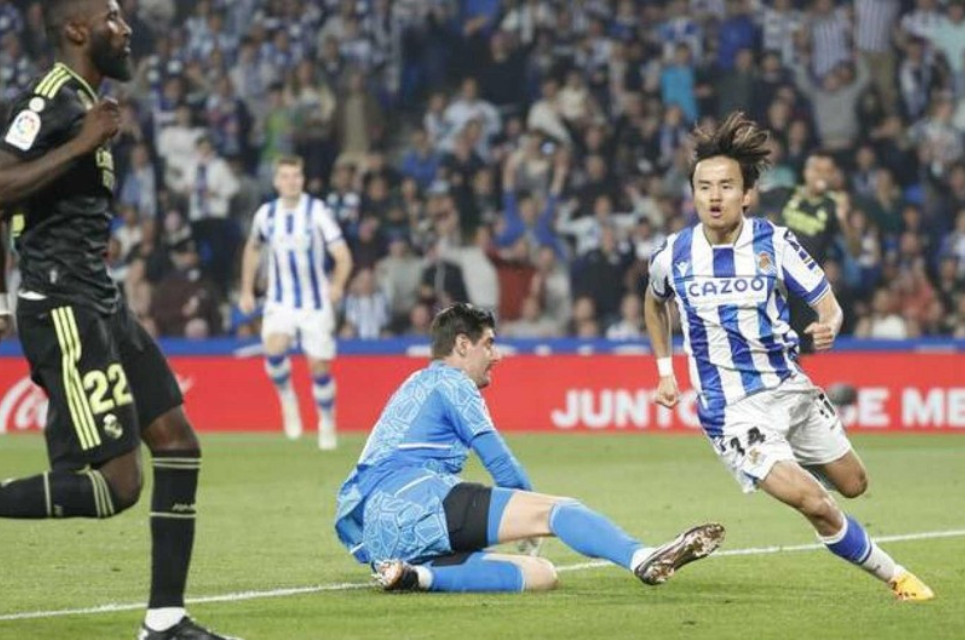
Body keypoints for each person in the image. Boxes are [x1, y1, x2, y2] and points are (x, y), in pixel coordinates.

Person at [0, 1, 241, 639]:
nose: (125, 26)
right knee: (118, 486)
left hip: (102, 300)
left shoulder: (87, 102)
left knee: (179, 445)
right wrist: (81, 143)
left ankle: (165, 621)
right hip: (63, 305)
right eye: (111, 16)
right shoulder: (50, 100)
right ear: (76, 30)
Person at [643, 112, 934, 602]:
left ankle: (788, 457)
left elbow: (828, 304)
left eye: (726, 186)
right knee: (814, 502)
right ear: (692, 194)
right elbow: (654, 303)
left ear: (746, 194)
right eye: (704, 187)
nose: (714, 196)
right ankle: (898, 578)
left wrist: (829, 325)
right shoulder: (673, 254)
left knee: (854, 484)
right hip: (733, 411)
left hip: (791, 390)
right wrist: (663, 371)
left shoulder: (774, 244)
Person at [334, 303, 724, 593]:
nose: (497, 356)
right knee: (558, 510)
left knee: (541, 575)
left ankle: (415, 576)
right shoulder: (453, 382)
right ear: (463, 345)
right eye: (489, 344)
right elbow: (500, 463)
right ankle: (641, 558)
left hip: (380, 531)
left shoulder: (414, 384)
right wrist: (532, 517)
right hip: (416, 500)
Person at [239, 155, 352, 449]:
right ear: (276, 181)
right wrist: (246, 290)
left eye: (296, 176)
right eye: (285, 176)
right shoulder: (266, 214)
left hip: (315, 302)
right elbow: (252, 249)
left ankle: (326, 421)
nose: (291, 181)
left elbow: (343, 255)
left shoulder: (317, 212)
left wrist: (338, 284)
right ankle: (287, 397)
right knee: (273, 349)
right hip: (280, 301)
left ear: (303, 179)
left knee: (319, 368)